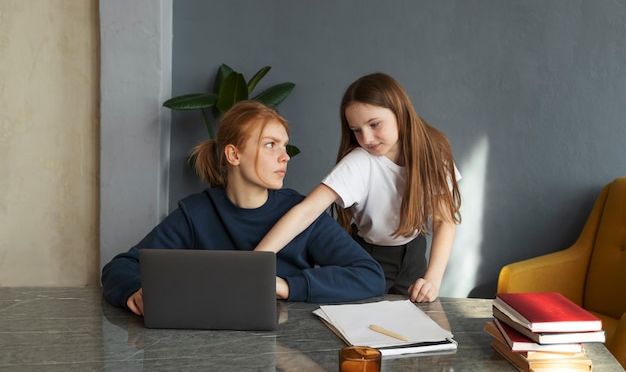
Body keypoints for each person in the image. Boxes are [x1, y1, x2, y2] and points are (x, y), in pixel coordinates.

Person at [101, 100, 385, 315]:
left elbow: (369, 276)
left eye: (285, 146)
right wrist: (133, 292)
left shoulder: (300, 212)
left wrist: (282, 286)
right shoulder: (196, 213)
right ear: (234, 154)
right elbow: (122, 266)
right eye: (271, 145)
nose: (285, 157)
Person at [256, 73, 461, 303]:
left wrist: (432, 278)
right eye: (357, 130)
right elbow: (306, 212)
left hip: (414, 254)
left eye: (374, 124)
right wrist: (256, 262)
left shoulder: (433, 153)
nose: (367, 138)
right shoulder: (359, 162)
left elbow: (444, 220)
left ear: (400, 113)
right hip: (368, 257)